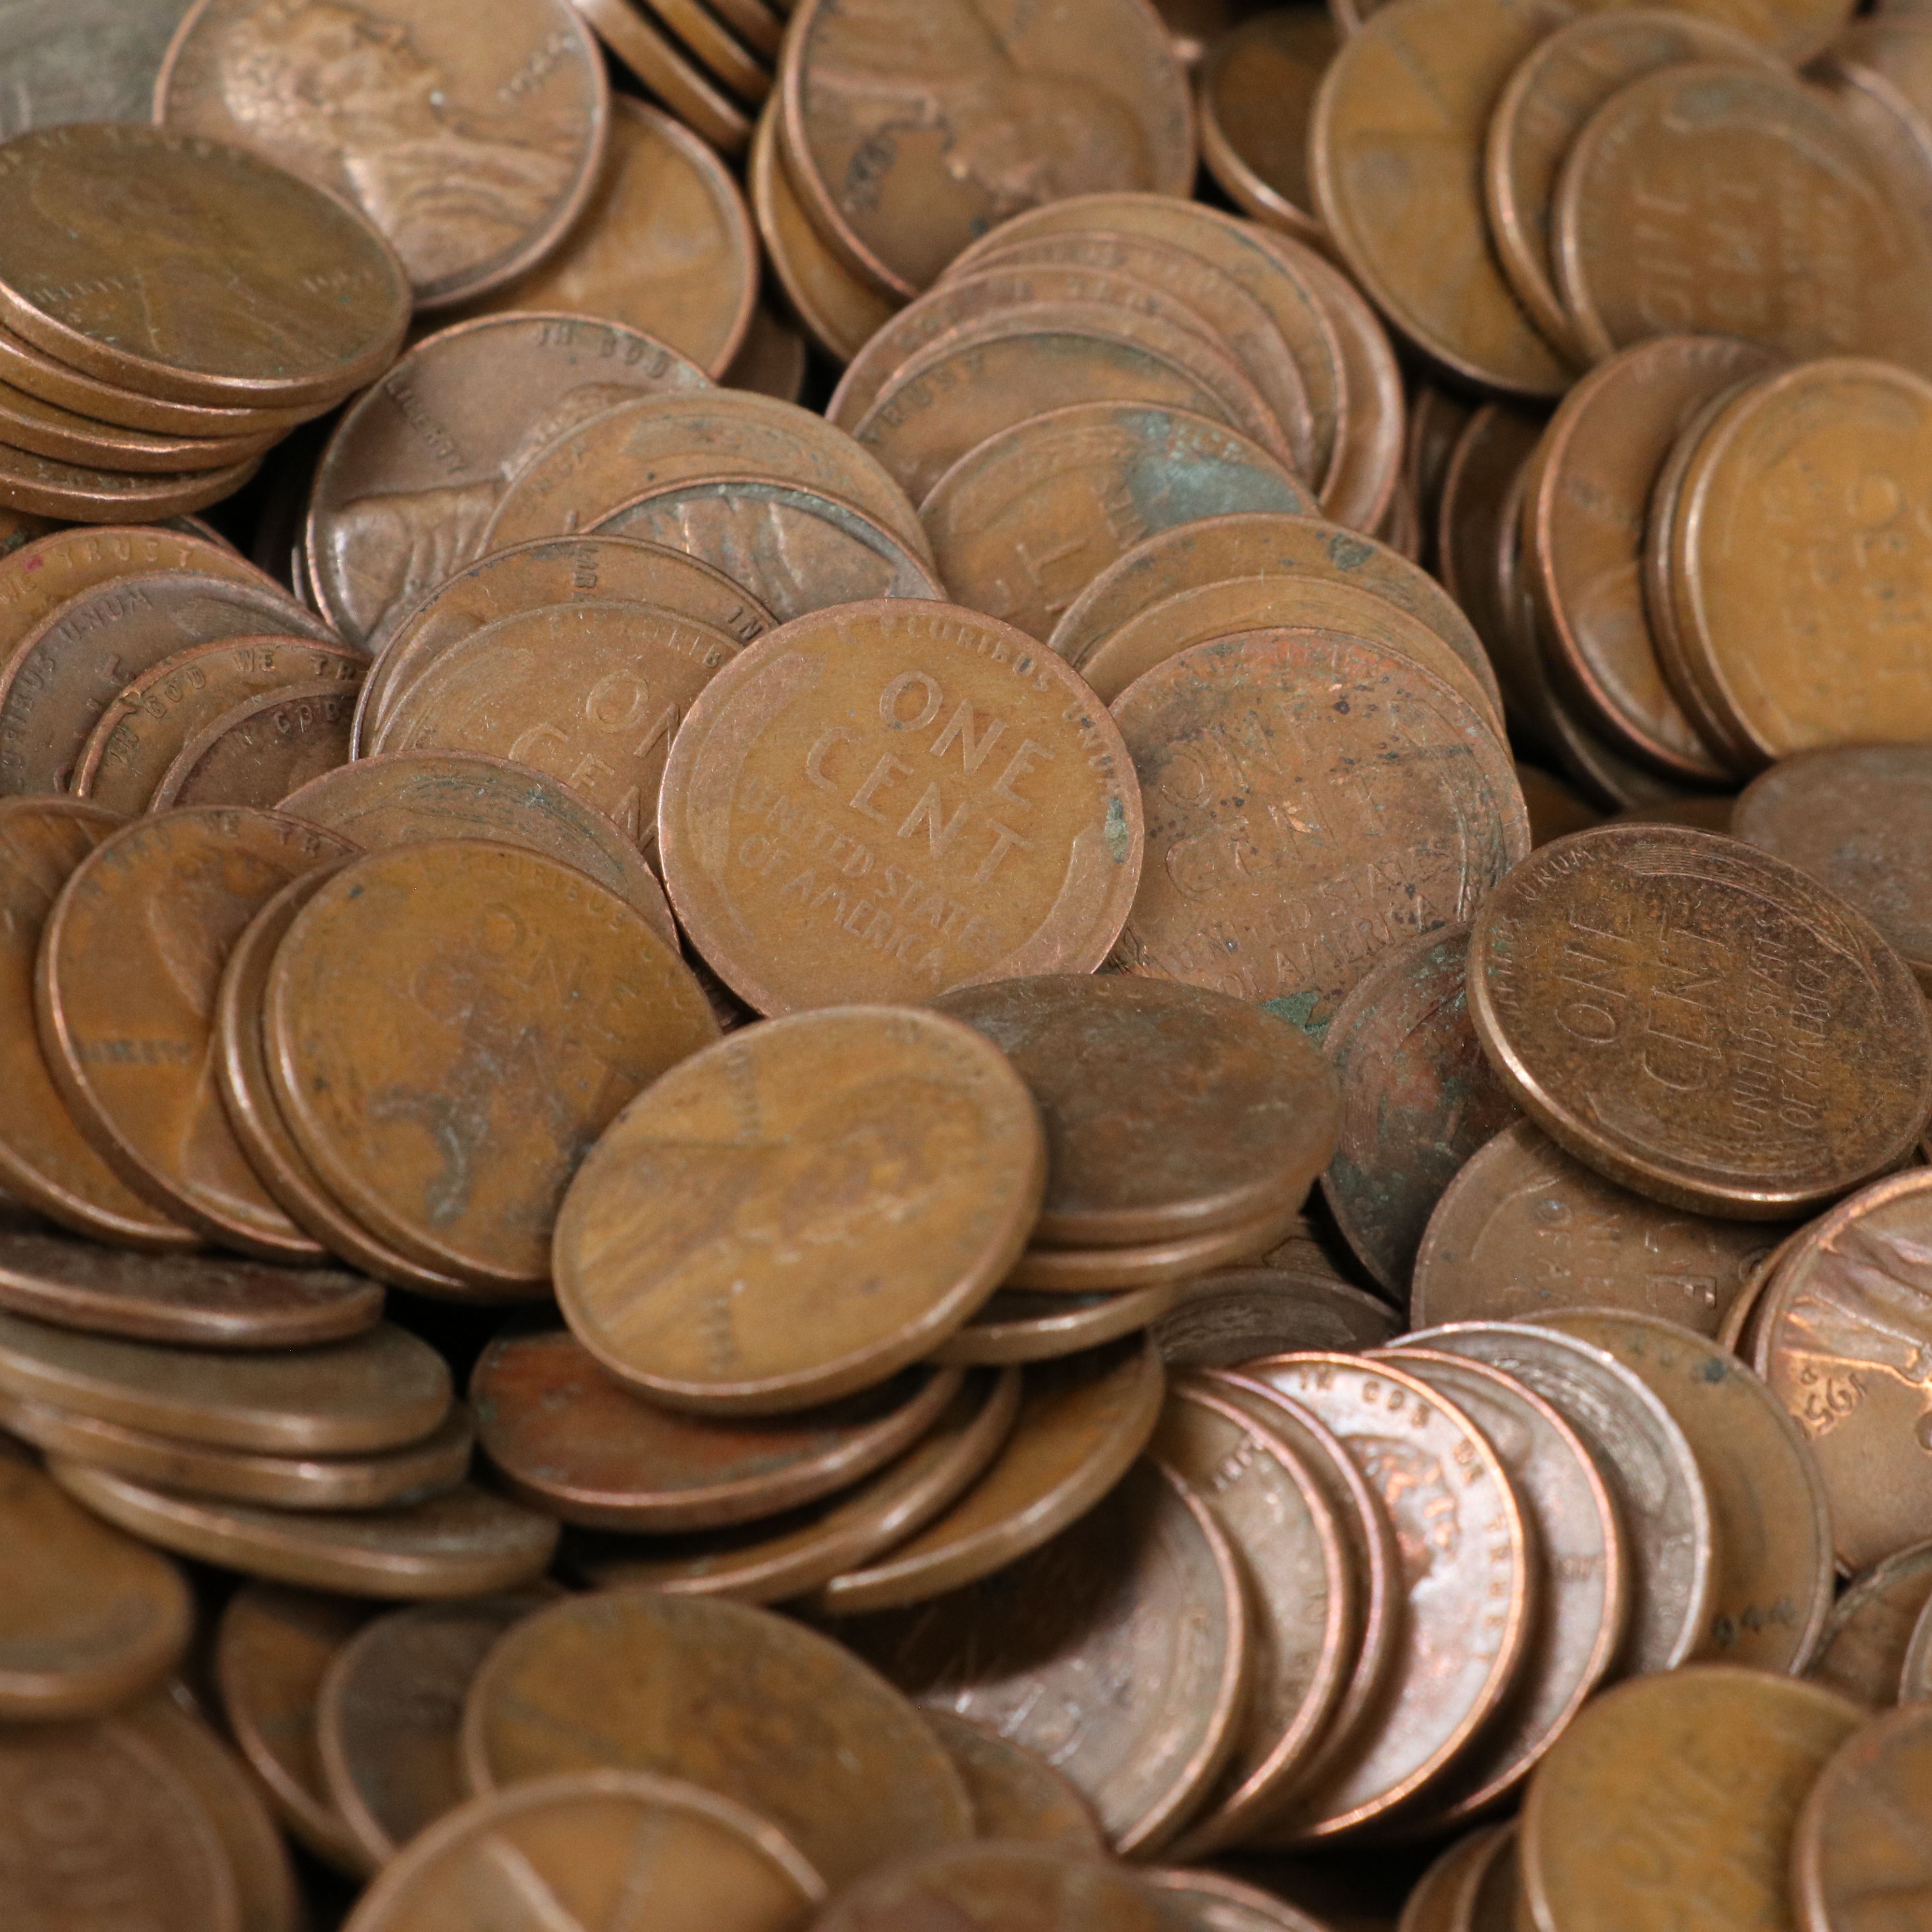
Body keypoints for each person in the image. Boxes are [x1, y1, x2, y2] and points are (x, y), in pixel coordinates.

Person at [211, 0, 582, 289]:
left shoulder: (492, 140)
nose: (395, 33)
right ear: (316, 102)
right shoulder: (424, 222)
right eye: (361, 38)